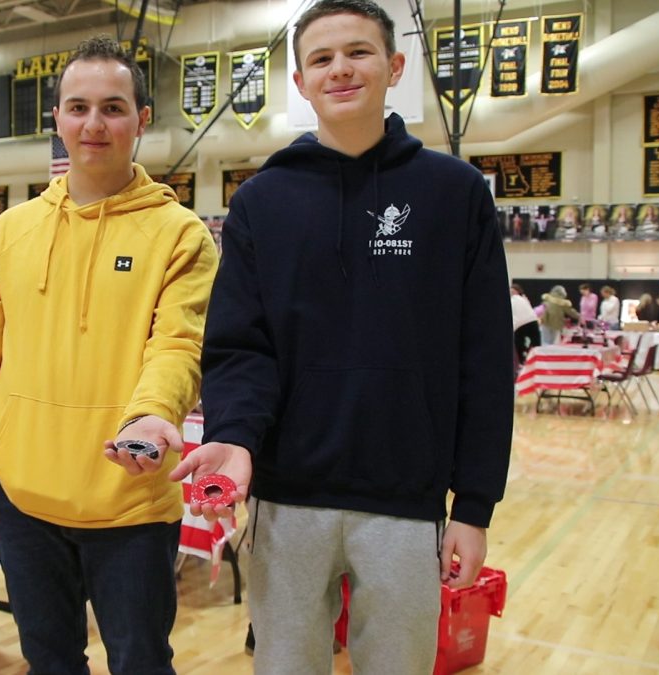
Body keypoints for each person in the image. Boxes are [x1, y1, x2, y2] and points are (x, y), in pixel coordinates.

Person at [168, 2, 512, 671]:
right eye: (321, 59)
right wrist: (236, 438)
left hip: (406, 501)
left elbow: (486, 360)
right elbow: (240, 344)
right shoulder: (261, 201)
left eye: (358, 52)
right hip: (286, 498)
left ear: (395, 67)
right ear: (300, 83)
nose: (341, 69)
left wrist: (473, 505)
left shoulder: (456, 193)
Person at [0, 35, 218, 674]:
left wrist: (151, 415)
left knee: (140, 663)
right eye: (78, 107)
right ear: (58, 118)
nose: (94, 124)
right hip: (23, 499)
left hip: (131, 494)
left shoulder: (179, 235)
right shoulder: (10, 232)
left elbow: (177, 346)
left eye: (114, 107)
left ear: (143, 120)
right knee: (50, 663)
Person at [511, 283, 540, 364]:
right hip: (531, 321)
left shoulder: (517, 299)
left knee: (520, 343)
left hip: (521, 323)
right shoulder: (524, 299)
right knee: (535, 342)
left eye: (513, 291)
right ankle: (535, 358)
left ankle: (523, 360)